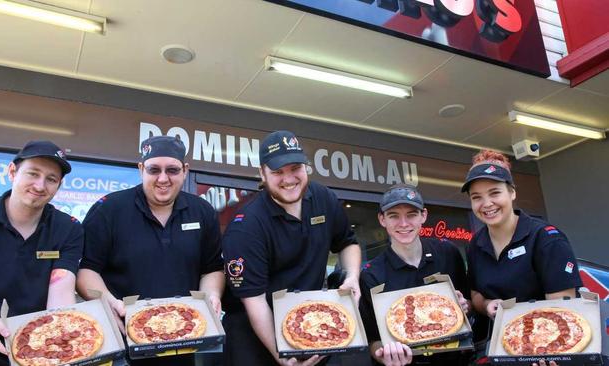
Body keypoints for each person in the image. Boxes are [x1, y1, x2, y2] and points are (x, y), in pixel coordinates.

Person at [76, 135, 224, 366]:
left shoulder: (202, 211)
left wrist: (211, 296)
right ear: (141, 169)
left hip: (184, 339)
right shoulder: (108, 209)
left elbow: (212, 268)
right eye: (154, 169)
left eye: (172, 170)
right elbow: (86, 271)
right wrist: (110, 303)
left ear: (185, 170)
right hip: (122, 342)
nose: (163, 179)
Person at [221, 130, 362, 366]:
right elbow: (254, 302)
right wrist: (284, 357)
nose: (289, 179)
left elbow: (348, 243)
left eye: (295, 168)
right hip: (254, 335)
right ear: (262, 174)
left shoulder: (322, 198)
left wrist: (353, 277)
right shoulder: (246, 227)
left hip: (311, 323)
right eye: (277, 172)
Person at [0, 140, 83, 365]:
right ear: (12, 172)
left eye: (51, 179)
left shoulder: (68, 229)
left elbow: (61, 295)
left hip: (37, 342)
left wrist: (61, 339)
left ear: (59, 185)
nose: (40, 185)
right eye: (33, 174)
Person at [462, 150, 583, 366]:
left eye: (494, 193)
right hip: (498, 351)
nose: (487, 203)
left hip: (545, 349)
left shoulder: (546, 239)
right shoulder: (476, 244)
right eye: (476, 197)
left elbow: (564, 309)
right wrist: (488, 304)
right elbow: (475, 293)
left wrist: (544, 349)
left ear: (512, 193)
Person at [359, 184, 470, 366]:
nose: (403, 224)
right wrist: (386, 356)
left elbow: (469, 303)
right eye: (394, 216)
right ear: (382, 219)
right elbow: (372, 340)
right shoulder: (371, 274)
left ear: (423, 216)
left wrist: (466, 306)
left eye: (411, 214)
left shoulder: (447, 252)